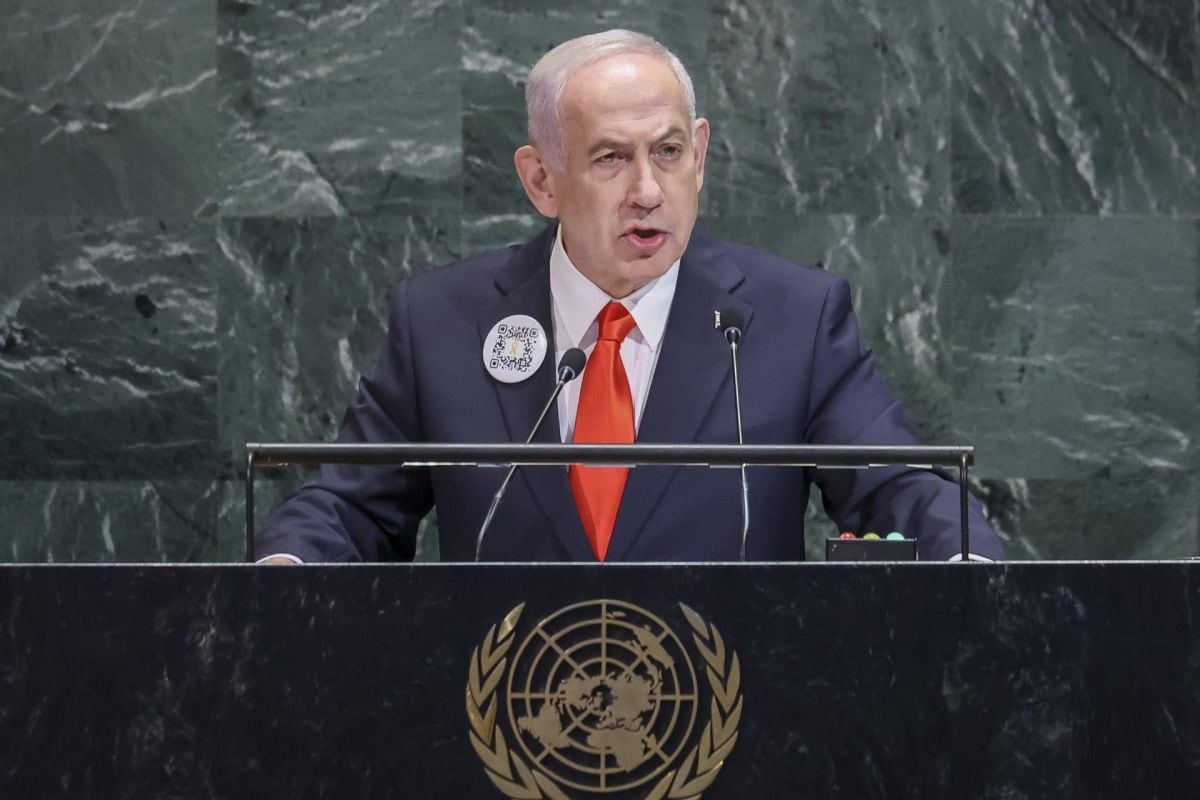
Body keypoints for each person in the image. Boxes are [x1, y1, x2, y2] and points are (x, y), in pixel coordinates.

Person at [256, 29, 1003, 564]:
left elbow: (898, 484)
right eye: (611, 158)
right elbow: (350, 507)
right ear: (541, 179)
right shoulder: (444, 322)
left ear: (700, 155)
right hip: (503, 741)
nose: (648, 191)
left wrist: (963, 560)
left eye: (669, 153)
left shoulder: (792, 318)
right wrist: (286, 571)